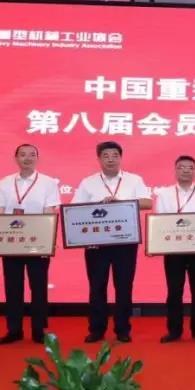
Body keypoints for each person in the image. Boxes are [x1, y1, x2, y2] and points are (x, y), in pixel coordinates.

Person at [71, 141, 152, 343]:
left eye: (115, 155)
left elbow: (147, 202)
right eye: (106, 156)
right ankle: (96, 329)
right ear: (99, 159)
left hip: (125, 242)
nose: (110, 159)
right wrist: (97, 205)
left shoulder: (134, 180)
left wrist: (121, 203)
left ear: (120, 158)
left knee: (124, 286)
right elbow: (74, 207)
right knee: (97, 286)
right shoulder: (88, 182)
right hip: (96, 242)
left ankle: (122, 329)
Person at [0, 144, 61, 344]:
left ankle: (39, 330)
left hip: (37, 243)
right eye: (23, 155)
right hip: (11, 242)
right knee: (13, 287)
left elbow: (49, 212)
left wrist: (47, 240)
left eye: (32, 155)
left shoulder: (47, 182)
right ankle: (14, 330)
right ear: (16, 158)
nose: (27, 158)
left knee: (39, 288)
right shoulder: (5, 182)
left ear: (37, 158)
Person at [154, 155, 195, 343]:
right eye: (182, 167)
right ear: (175, 170)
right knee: (174, 291)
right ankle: (174, 330)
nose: (186, 171)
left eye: (190, 167)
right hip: (173, 251)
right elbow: (160, 222)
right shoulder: (164, 194)